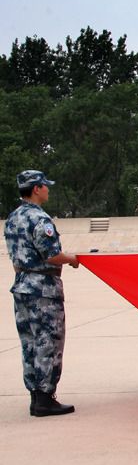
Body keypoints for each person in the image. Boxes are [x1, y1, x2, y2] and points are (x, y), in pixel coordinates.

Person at [4, 170, 79, 417]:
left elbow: (17, 257)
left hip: (22, 284)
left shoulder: (13, 218)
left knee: (30, 343)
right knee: (49, 341)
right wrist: (73, 259)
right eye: (45, 186)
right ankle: (46, 397)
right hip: (43, 289)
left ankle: (36, 396)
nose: (48, 189)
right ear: (36, 188)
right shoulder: (40, 219)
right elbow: (52, 254)